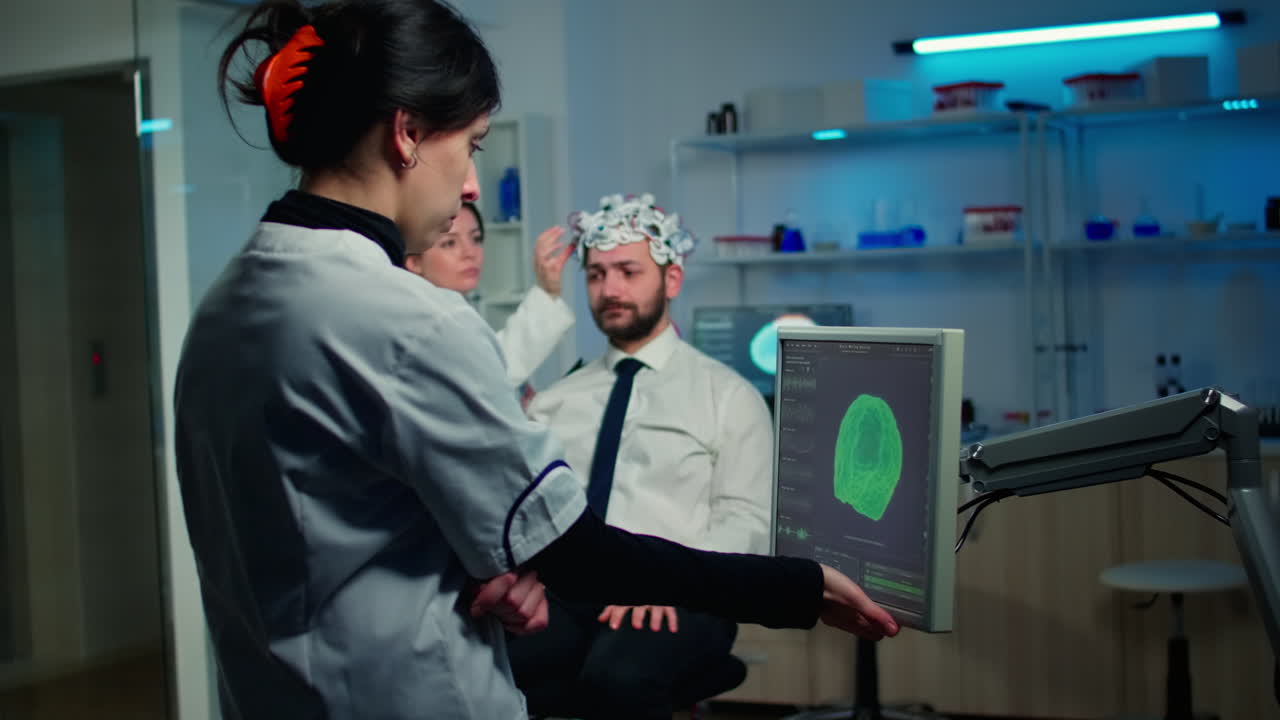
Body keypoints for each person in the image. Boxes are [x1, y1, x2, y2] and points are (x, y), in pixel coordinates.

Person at [175, 2, 898, 719]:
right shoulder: (412, 320)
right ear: (407, 133)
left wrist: (506, 565)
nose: (471, 186)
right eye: (473, 145)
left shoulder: (223, 306)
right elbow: (576, 553)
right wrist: (800, 588)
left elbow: (340, 517)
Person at [510, 193, 773, 718]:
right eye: (596, 274)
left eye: (628, 272)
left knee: (617, 680)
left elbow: (746, 519)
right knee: (491, 664)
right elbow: (531, 506)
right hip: (570, 592)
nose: (610, 289)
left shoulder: (727, 395)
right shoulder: (557, 401)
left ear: (671, 280)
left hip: (684, 588)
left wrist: (672, 580)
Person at [403, 201, 576, 386]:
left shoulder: (457, 318)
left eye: (476, 239)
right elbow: (491, 373)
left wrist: (548, 289)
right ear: (414, 262)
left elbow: (493, 362)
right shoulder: (419, 330)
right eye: (450, 243)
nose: (470, 252)